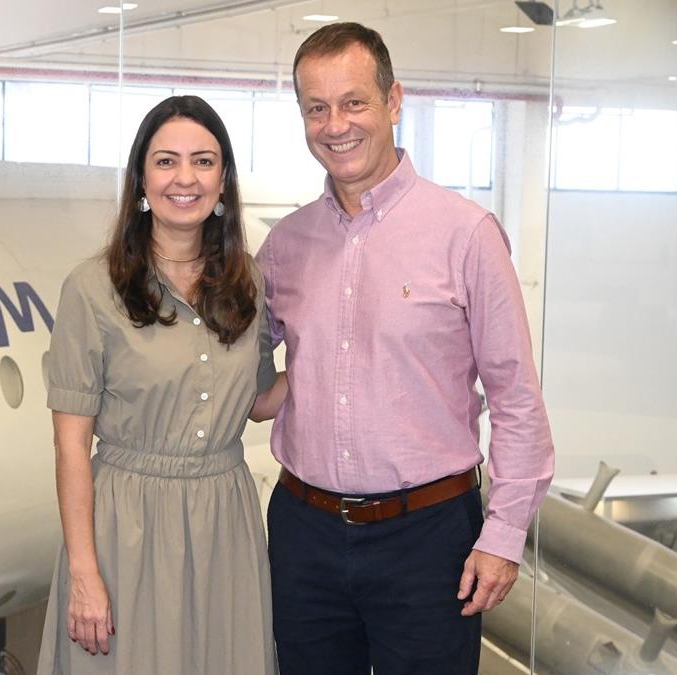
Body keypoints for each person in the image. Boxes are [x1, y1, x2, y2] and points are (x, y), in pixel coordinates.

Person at [255, 22, 555, 674]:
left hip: (428, 537)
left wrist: (504, 535)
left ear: (393, 101)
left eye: (353, 102)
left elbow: (515, 398)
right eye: (316, 108)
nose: (335, 125)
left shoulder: (466, 234)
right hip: (304, 533)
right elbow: (236, 363)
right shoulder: (285, 245)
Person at [36, 95, 285, 675]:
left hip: (224, 520)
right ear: (142, 180)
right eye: (166, 161)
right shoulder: (92, 288)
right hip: (128, 525)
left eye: (203, 161)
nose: (185, 178)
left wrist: (337, 360)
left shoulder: (247, 281)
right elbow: (71, 446)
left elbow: (257, 402)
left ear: (223, 180)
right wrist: (84, 573)